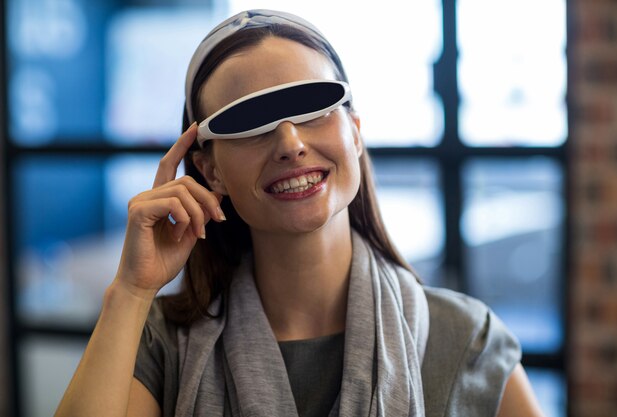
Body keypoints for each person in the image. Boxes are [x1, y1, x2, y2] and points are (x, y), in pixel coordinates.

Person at [55, 9, 545, 417]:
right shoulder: (161, 345)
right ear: (211, 171)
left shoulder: (466, 339)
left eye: (312, 108)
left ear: (355, 131)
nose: (290, 143)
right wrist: (131, 290)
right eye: (250, 123)